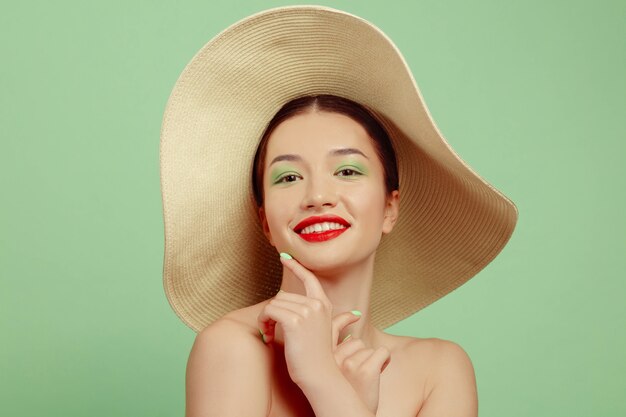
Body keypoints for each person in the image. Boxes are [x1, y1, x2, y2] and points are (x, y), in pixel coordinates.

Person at [159, 6, 517, 417]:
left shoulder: (439, 369)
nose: (317, 196)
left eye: (347, 170)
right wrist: (333, 389)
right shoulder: (232, 347)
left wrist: (325, 383)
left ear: (389, 207)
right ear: (265, 222)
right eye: (288, 177)